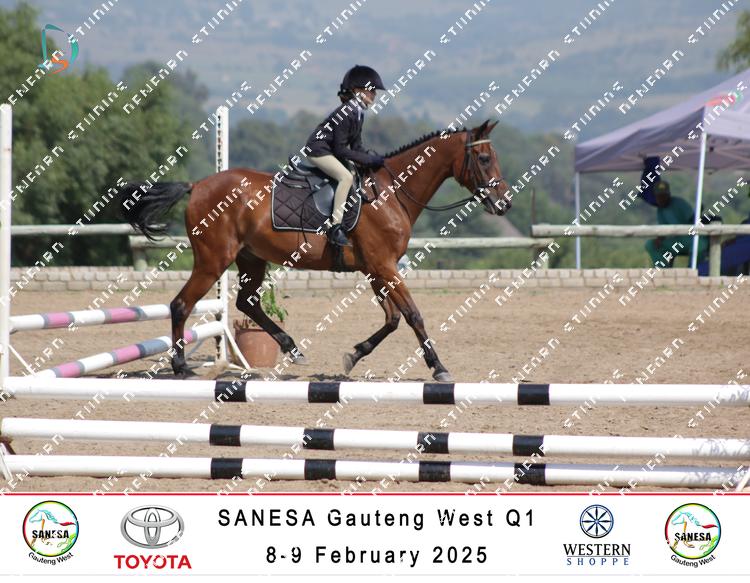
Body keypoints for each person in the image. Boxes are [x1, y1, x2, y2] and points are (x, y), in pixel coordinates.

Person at [305, 65, 386, 247]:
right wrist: (367, 160)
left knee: (357, 174)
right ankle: (335, 227)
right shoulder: (346, 113)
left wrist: (375, 159)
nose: (375, 94)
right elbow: (341, 150)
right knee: (346, 177)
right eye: (371, 90)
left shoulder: (358, 113)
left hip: (330, 151)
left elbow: (357, 146)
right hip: (318, 151)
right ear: (357, 90)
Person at [639, 157, 708, 266]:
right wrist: (659, 239)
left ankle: (693, 272)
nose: (662, 199)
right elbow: (663, 229)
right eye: (659, 196)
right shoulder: (660, 210)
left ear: (669, 194)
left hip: (689, 238)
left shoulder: (679, 203)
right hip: (675, 241)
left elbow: (693, 219)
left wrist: (698, 212)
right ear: (655, 197)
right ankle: (663, 271)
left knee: (699, 245)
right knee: (651, 244)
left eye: (664, 195)